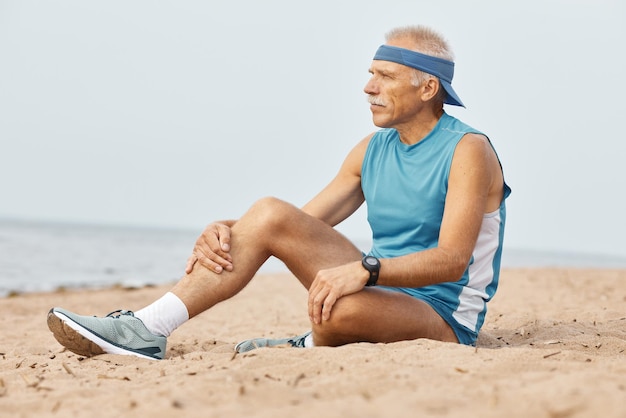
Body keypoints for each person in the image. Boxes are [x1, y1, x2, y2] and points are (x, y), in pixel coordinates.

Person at [47, 25, 511, 360]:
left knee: (336, 313)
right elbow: (294, 224)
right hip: (379, 290)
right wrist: (229, 229)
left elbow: (452, 259)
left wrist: (364, 270)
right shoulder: (371, 149)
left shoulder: (467, 150)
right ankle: (148, 327)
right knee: (267, 212)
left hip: (443, 317)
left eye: (385, 76)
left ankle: (310, 344)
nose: (368, 87)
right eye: (370, 73)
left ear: (428, 87)